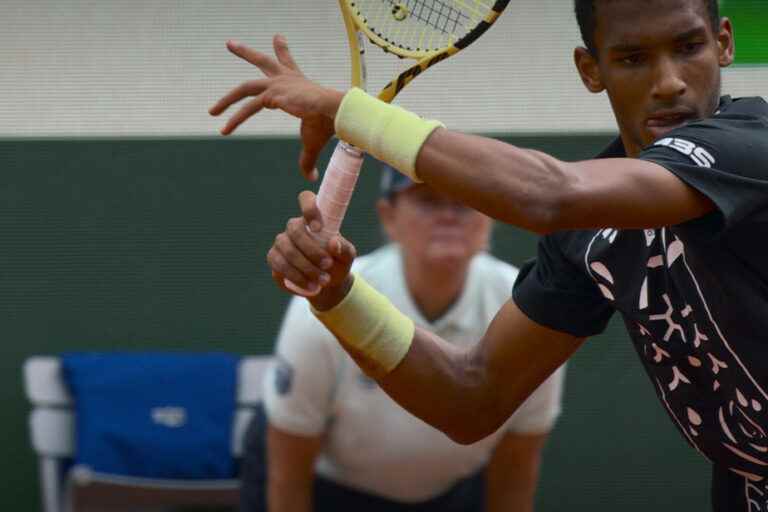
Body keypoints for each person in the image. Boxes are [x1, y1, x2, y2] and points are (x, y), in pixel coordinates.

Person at [210, 1, 768, 510]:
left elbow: (549, 195)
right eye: (632, 58)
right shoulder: (593, 236)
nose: (668, 81)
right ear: (590, 70)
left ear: (723, 43)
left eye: (689, 47)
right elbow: (472, 398)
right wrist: (339, 297)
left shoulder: (751, 146)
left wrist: (345, 110)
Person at [240, 163, 566, 512]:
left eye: (465, 201)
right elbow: (288, 473)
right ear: (388, 217)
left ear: (490, 218)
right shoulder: (321, 307)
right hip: (327, 487)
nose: (448, 216)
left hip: (452, 490)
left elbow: (516, 467)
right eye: (427, 200)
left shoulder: (527, 306)